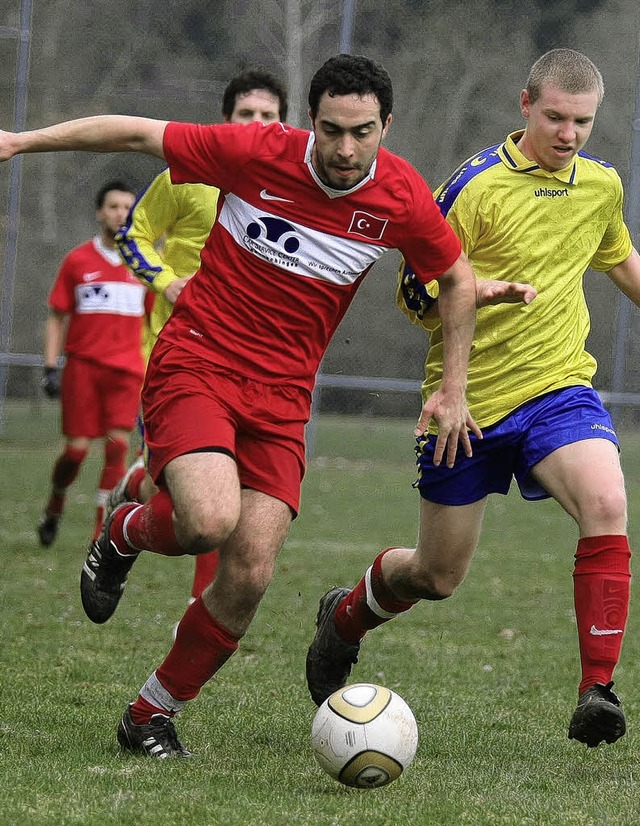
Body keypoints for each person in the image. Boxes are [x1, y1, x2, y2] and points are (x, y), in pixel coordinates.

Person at [0, 54, 482, 759]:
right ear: (307, 121)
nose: (345, 149)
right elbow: (135, 135)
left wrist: (454, 389)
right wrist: (19, 142)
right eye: (331, 130)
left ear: (387, 126)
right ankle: (124, 531)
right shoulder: (255, 151)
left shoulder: (402, 197)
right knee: (209, 522)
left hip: (284, 398)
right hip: (199, 360)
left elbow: (457, 280)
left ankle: (149, 715)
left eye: (363, 132)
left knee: (252, 568)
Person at [305, 48, 640, 750]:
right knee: (435, 575)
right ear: (525, 104)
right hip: (467, 404)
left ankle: (597, 692)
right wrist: (474, 291)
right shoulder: (474, 187)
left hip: (558, 391)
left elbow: (617, 260)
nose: (569, 133)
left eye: (582, 121)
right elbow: (413, 295)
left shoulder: (602, 186)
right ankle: (344, 618)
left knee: (608, 504)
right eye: (555, 116)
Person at [111, 69, 289, 620]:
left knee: (223, 495)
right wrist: (169, 282)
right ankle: (137, 491)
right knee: (192, 497)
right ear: (225, 121)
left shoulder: (294, 191)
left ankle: (198, 605)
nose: (257, 125)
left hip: (251, 364)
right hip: (176, 352)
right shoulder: (185, 177)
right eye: (246, 115)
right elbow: (132, 234)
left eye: (268, 116)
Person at [37, 180, 152, 547]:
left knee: (118, 446)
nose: (121, 213)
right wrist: (50, 366)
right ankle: (55, 503)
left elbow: (154, 323)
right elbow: (57, 316)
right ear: (100, 212)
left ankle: (100, 534)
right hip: (83, 369)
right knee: (76, 451)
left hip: (127, 370)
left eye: (127, 207)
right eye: (114, 206)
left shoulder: (145, 262)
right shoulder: (78, 260)